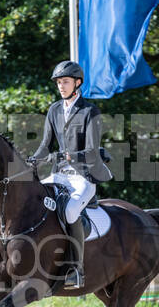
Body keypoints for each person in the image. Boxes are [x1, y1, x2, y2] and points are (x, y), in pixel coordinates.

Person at [28, 60, 112, 288]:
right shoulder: (54, 110)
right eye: (58, 83)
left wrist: (67, 156)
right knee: (34, 197)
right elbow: (45, 145)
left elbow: (92, 151)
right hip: (60, 175)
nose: (61, 86)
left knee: (70, 210)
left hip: (83, 176)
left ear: (77, 83)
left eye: (65, 82)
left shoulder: (90, 111)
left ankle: (76, 268)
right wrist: (32, 160)